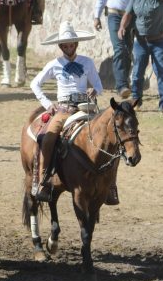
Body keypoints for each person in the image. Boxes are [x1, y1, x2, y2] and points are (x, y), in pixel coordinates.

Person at [29, 22, 109, 202]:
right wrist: (47, 103)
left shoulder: (87, 62)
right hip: (64, 108)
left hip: (86, 107)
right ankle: (44, 179)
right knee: (49, 137)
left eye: (71, 44)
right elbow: (35, 83)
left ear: (76, 44)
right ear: (60, 46)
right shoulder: (54, 64)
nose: (69, 48)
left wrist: (94, 91)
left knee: (108, 135)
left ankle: (110, 185)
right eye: (65, 45)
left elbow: (99, 85)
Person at [118, 0, 163, 114]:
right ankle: (136, 100)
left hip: (158, 41)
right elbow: (127, 15)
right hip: (140, 41)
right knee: (137, 72)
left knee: (161, 70)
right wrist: (122, 27)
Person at [93, 0, 138, 97]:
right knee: (119, 48)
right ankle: (121, 86)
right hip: (114, 15)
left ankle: (125, 80)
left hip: (132, 16)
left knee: (128, 49)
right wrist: (96, 16)